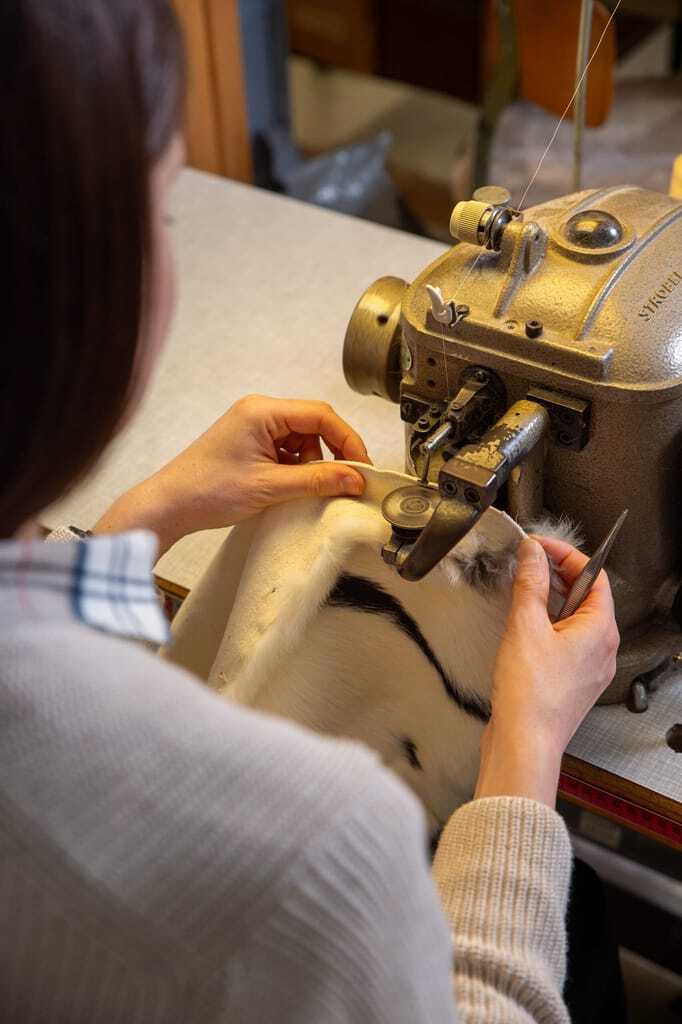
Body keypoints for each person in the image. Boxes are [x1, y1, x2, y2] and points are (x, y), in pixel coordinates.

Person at [0, 2, 621, 1021]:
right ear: (79, 300)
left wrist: (145, 520)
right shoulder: (320, 852)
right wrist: (525, 747)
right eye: (163, 216)